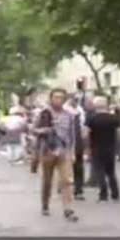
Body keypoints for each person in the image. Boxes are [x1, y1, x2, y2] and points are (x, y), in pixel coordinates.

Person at [34, 89, 79, 221]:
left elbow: (72, 135)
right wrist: (42, 130)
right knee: (47, 181)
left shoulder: (69, 114)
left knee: (66, 180)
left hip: (64, 151)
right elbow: (32, 129)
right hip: (47, 150)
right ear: (51, 98)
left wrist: (73, 151)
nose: (58, 100)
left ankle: (68, 209)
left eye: (61, 97)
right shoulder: (44, 113)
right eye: (55, 97)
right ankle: (45, 205)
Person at [84, 96, 120, 202]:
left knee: (99, 171)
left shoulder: (91, 118)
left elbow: (85, 134)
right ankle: (115, 193)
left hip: (96, 147)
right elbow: (118, 132)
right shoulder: (113, 118)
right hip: (110, 147)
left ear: (95, 105)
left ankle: (103, 194)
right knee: (111, 171)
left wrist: (87, 147)